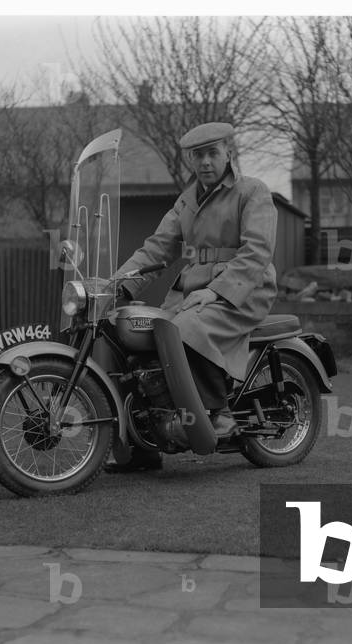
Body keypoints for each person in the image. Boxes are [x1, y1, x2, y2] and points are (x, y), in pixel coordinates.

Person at [106, 122, 278, 472]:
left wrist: (214, 291)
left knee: (183, 328)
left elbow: (257, 252)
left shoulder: (252, 191)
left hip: (244, 289)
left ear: (228, 153)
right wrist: (116, 285)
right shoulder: (186, 200)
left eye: (212, 153)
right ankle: (142, 444)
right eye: (198, 155)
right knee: (130, 335)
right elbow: (157, 249)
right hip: (193, 291)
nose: (205, 161)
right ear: (190, 160)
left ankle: (220, 413)